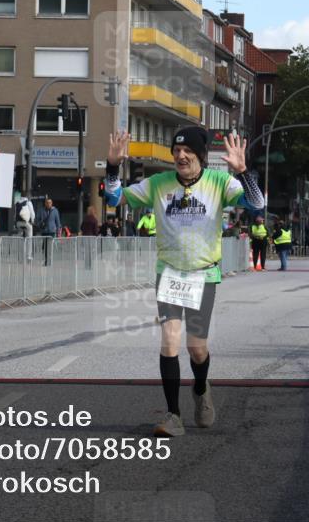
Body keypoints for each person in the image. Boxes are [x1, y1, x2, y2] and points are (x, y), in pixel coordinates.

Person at [104, 125, 265, 437]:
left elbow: (256, 204)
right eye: (176, 151)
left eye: (187, 151)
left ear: (201, 156)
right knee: (169, 342)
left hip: (204, 273)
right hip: (170, 273)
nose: (180, 156)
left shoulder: (219, 182)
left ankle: (202, 389)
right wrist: (113, 166)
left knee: (197, 349)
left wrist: (243, 171)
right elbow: (113, 199)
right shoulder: (158, 184)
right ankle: (173, 415)